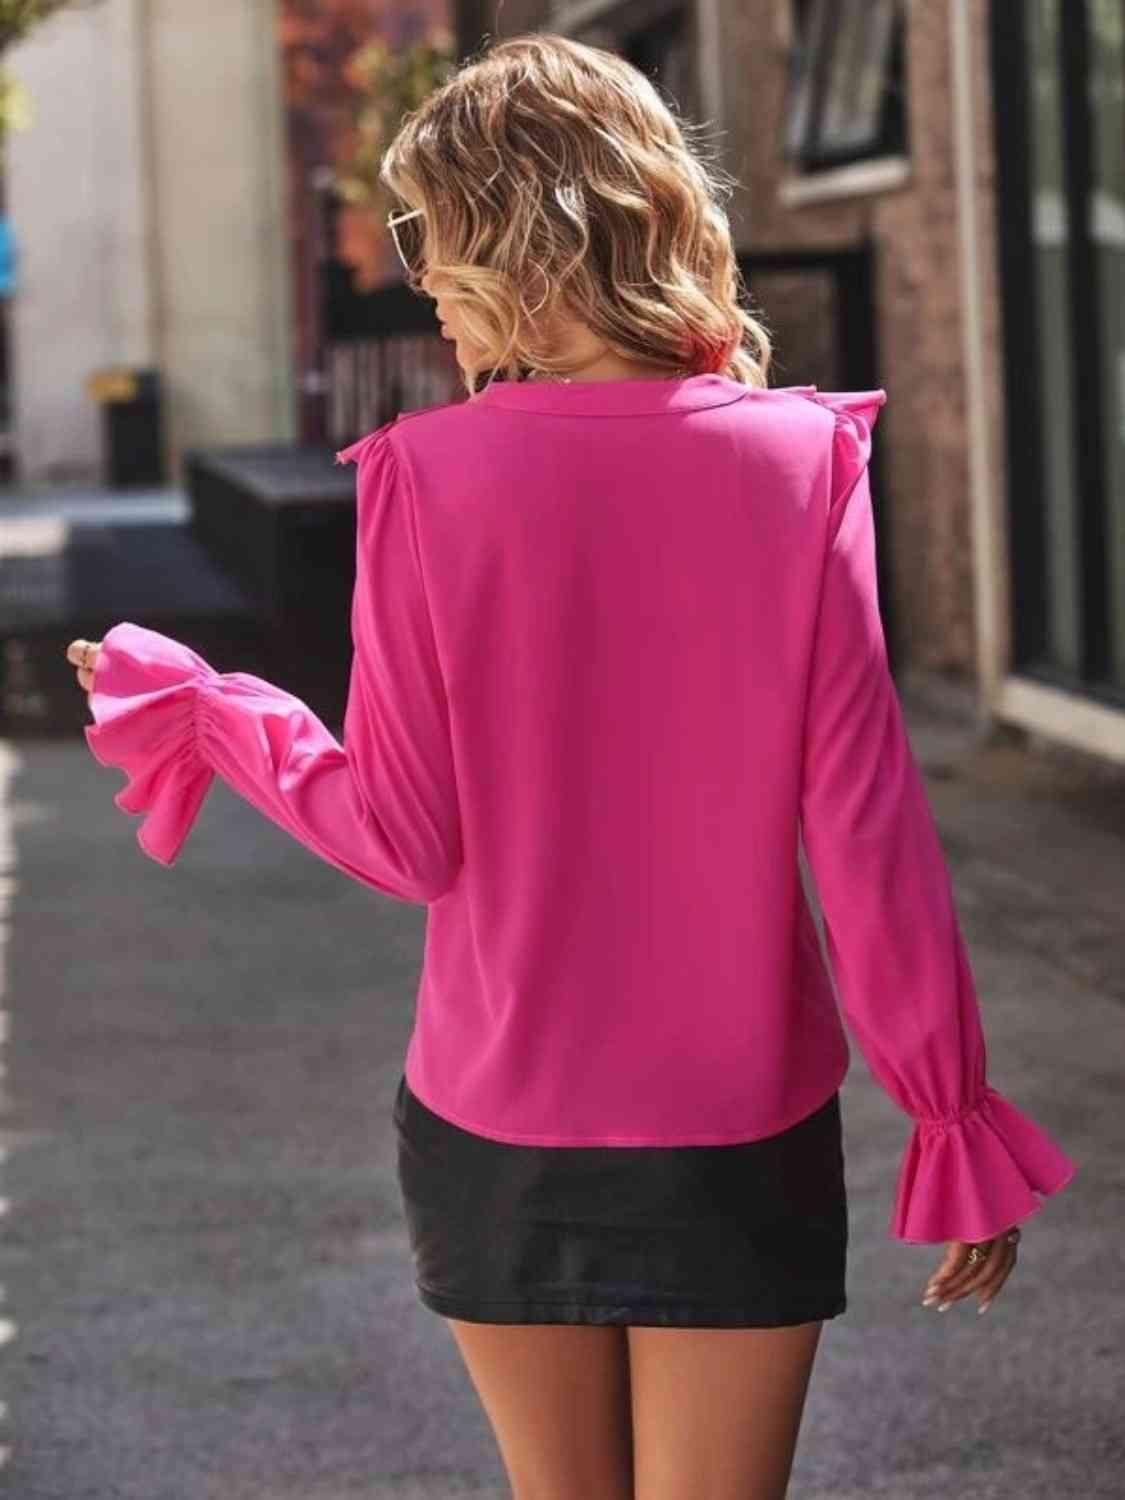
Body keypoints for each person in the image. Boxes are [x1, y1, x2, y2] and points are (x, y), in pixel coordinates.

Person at [68, 32, 1076, 1500]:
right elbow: (865, 835)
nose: (415, 279)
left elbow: (402, 841)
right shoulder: (800, 467)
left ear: (513, 243)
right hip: (739, 1125)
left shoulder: (428, 478)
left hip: (492, 1129)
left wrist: (217, 710)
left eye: (428, 236)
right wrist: (946, 1105)